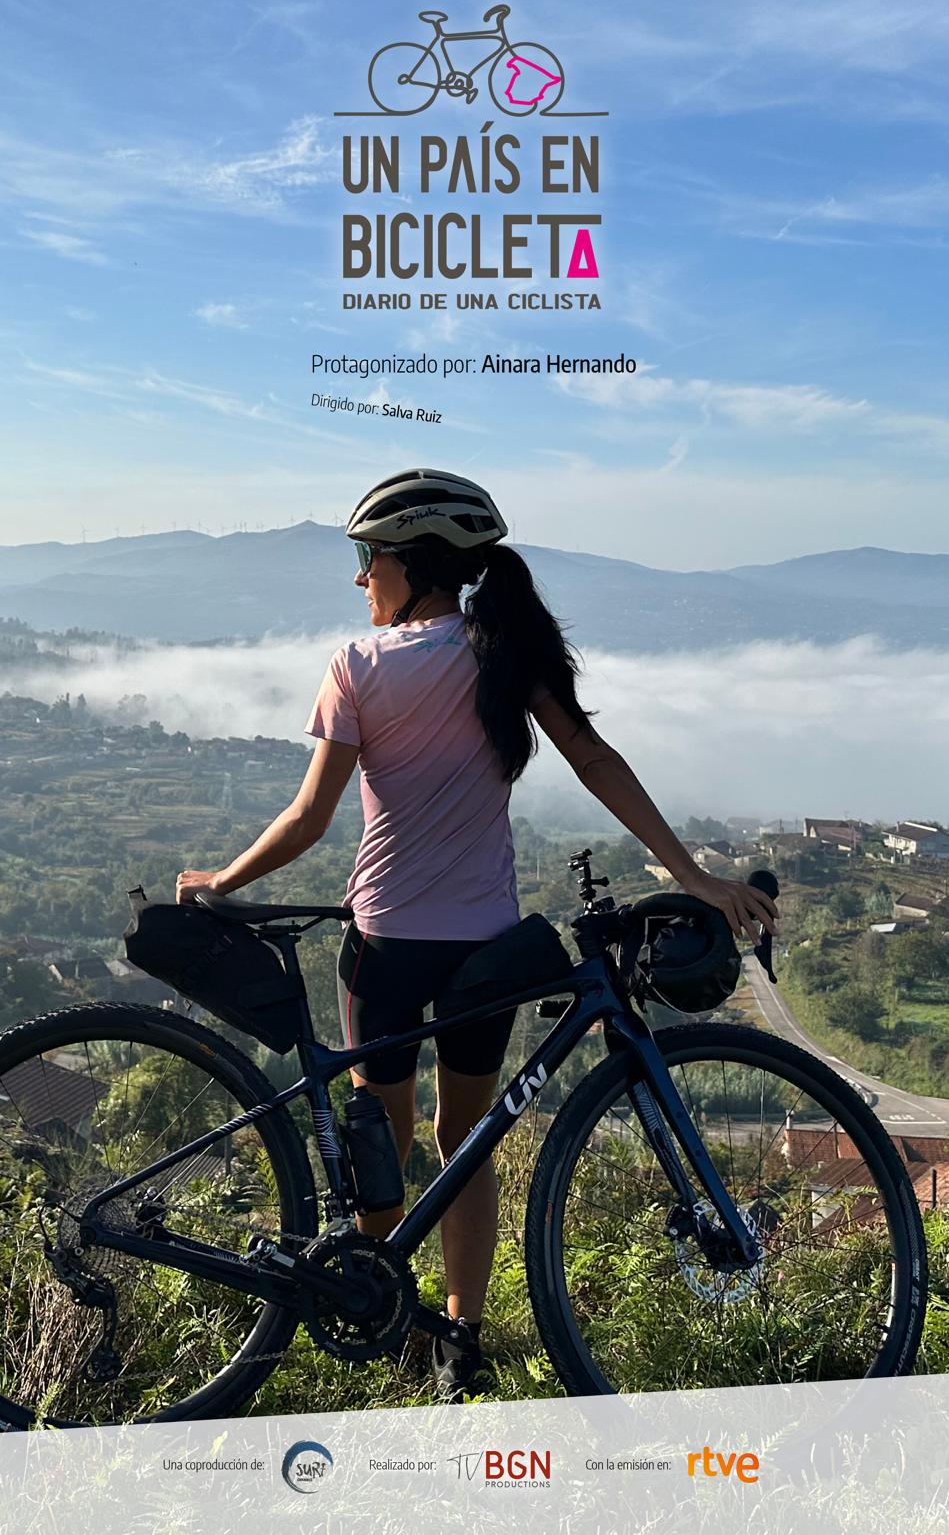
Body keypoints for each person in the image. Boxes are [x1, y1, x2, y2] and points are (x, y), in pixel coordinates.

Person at [176, 469, 777, 1400]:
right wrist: (689, 874)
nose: (360, 577)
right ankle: (460, 1336)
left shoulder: (357, 666)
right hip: (486, 950)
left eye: (368, 557)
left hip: (385, 942)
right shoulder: (505, 654)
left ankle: (377, 1312)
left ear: (413, 564)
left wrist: (220, 881)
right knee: (466, 1142)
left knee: (384, 1143)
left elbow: (307, 818)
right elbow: (595, 759)